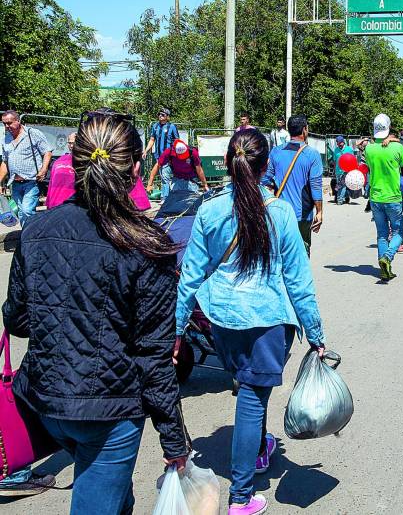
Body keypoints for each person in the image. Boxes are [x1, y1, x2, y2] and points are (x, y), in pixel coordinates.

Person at [2, 108, 189, 514]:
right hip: (108, 415)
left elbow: (16, 319)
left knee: (114, 498)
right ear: (136, 167)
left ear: (75, 162)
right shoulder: (147, 245)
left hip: (45, 401)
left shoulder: (37, 230)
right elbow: (154, 359)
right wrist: (175, 439)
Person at [176, 128, 325, 515]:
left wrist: (176, 333)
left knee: (248, 387)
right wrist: (316, 333)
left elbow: (190, 276)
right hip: (267, 324)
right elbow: (298, 280)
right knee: (252, 401)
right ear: (265, 168)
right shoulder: (279, 212)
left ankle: (258, 449)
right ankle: (241, 497)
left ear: (227, 163)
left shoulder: (209, 211)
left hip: (222, 322)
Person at [262, 115, 323, 256]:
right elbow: (316, 186)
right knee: (301, 256)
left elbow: (265, 182)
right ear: (304, 130)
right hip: (302, 216)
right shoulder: (312, 154)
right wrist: (320, 212)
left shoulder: (276, 152)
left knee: (280, 255)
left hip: (279, 214)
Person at [364, 114, 403, 280]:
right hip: (393, 197)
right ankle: (387, 257)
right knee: (398, 233)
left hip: (375, 197)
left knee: (382, 234)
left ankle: (384, 270)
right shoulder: (398, 148)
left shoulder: (369, 149)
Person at [0, 110, 53, 226]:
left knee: (27, 210)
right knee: (21, 213)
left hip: (32, 181)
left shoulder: (32, 133)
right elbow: (5, 162)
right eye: (4, 123)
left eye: (9, 123)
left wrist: (43, 170)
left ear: (18, 121)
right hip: (15, 183)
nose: (6, 126)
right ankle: (27, 237)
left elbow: (47, 152)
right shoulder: (6, 139)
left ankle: (32, 236)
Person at [143, 107, 179, 200]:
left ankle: (165, 198)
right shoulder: (155, 126)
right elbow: (152, 140)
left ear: (167, 116)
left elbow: (177, 141)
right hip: (158, 156)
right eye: (159, 114)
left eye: (162, 115)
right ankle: (169, 196)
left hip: (168, 156)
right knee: (164, 176)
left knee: (165, 176)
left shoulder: (172, 127)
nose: (160, 116)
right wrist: (146, 150)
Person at [331, 135, 354, 205]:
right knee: (340, 185)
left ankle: (340, 200)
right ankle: (346, 197)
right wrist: (335, 170)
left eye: (340, 143)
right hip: (338, 171)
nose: (339, 145)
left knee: (342, 185)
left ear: (343, 142)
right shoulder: (336, 150)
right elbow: (334, 161)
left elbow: (352, 160)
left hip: (346, 171)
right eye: (338, 143)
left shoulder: (349, 149)